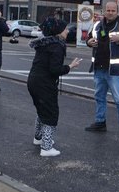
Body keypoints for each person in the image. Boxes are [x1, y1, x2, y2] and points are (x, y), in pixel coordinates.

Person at [84, 1, 119, 138]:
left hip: (114, 71)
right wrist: (88, 42)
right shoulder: (97, 25)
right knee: (99, 97)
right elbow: (89, 38)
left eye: (113, 10)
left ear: (117, 12)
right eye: (108, 10)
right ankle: (100, 122)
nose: (110, 13)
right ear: (104, 11)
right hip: (99, 68)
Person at [28, 17, 82, 157]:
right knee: (51, 114)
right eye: (65, 29)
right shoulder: (56, 46)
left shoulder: (44, 44)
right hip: (45, 84)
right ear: (58, 31)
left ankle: (38, 139)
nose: (68, 31)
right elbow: (55, 70)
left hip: (34, 81)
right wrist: (70, 66)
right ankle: (46, 148)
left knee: (42, 111)